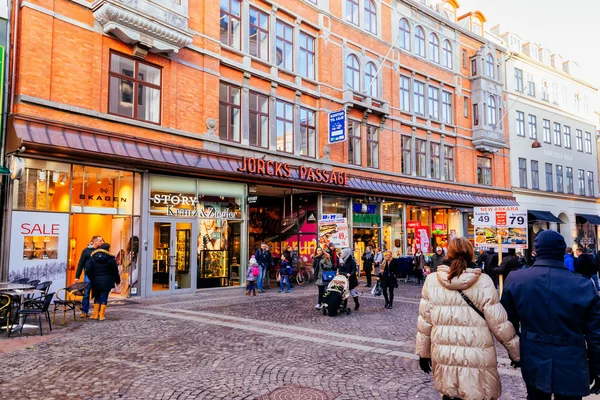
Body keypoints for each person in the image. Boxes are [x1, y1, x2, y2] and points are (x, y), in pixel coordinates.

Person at [416, 237, 520, 400]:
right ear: (471, 254)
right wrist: (516, 353)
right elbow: (499, 323)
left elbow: (425, 320)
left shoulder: (432, 280)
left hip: (445, 354)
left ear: (448, 254)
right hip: (477, 355)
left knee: (449, 394)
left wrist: (423, 353)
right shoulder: (483, 281)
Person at [501, 230, 600, 400]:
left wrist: (516, 352)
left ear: (536, 251)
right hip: (571, 359)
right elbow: (595, 335)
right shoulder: (582, 284)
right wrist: (597, 368)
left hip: (533, 354)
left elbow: (507, 323)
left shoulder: (516, 279)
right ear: (562, 251)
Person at [85, 243, 120, 321]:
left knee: (96, 296)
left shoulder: (93, 257)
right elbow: (115, 271)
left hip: (95, 281)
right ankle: (101, 315)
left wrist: (92, 278)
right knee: (104, 297)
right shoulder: (111, 258)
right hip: (106, 281)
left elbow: (88, 269)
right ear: (108, 249)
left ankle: (95, 314)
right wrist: (117, 280)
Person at [75, 235, 104, 318]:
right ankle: (84, 311)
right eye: (100, 241)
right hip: (88, 275)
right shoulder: (86, 251)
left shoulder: (101, 251)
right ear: (95, 242)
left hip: (98, 275)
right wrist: (77, 276)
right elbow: (81, 264)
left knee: (97, 293)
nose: (101, 242)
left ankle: (96, 311)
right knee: (86, 293)